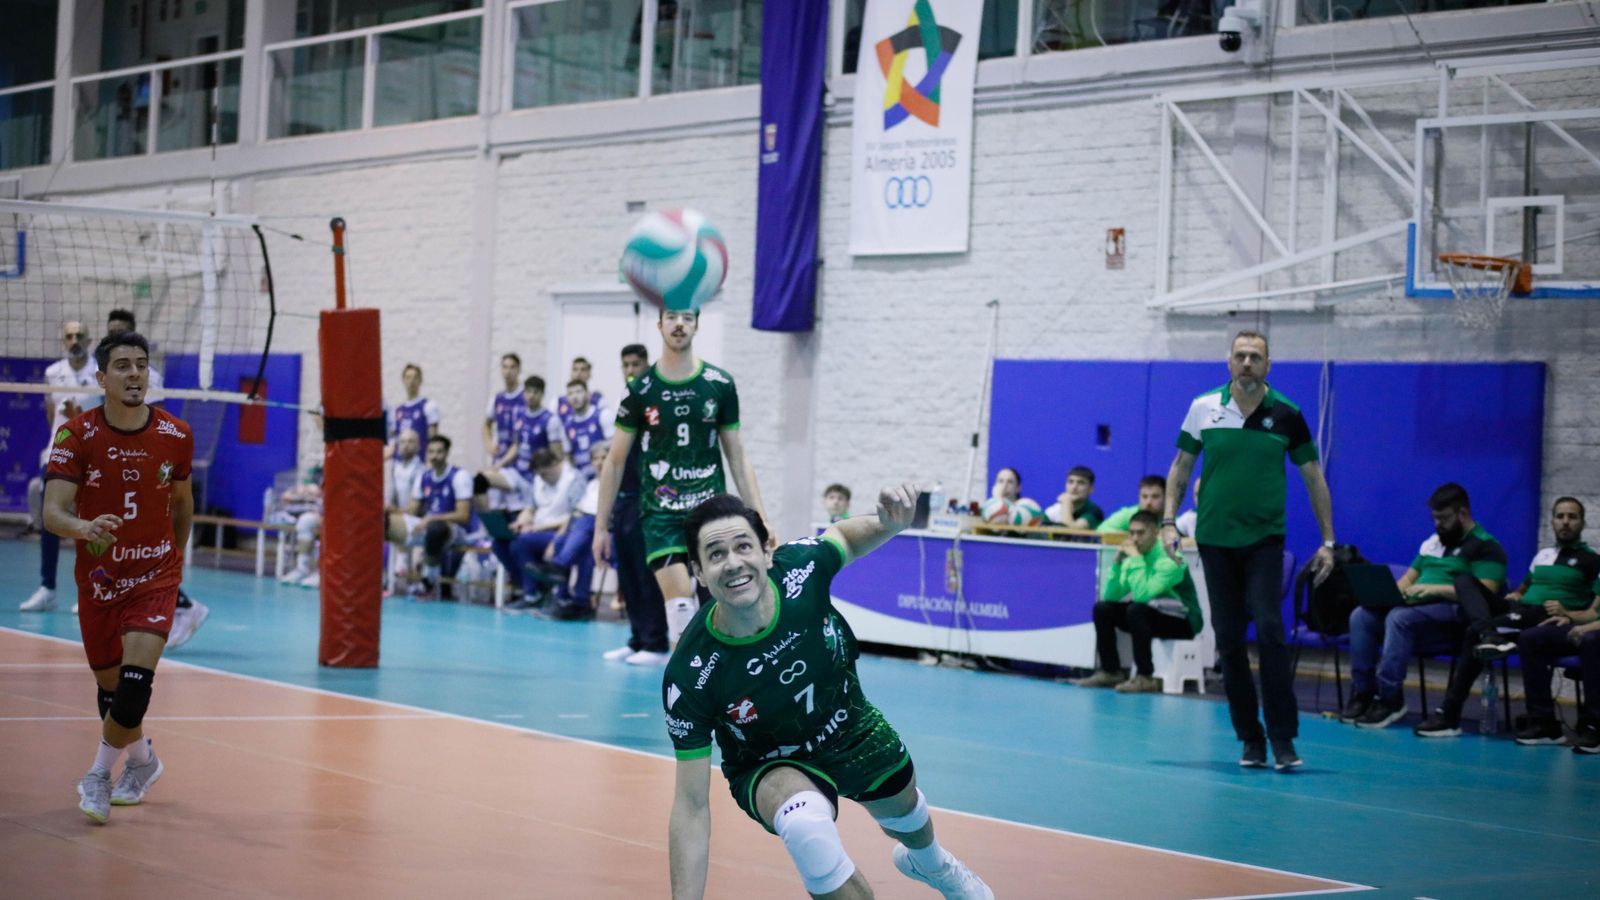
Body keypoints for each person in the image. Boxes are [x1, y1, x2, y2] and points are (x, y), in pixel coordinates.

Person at [664, 489, 992, 900]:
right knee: (806, 829)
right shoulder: (690, 673)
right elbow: (691, 807)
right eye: (715, 554)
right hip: (768, 761)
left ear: (768, 551)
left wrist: (889, 525)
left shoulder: (801, 569)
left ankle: (932, 864)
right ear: (697, 570)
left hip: (846, 722)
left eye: (743, 546)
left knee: (906, 816)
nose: (733, 564)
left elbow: (845, 537)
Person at [1162, 330, 1335, 771]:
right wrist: (1167, 521)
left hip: (1264, 541)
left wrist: (1328, 541)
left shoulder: (1288, 415)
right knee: (1230, 641)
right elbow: (1181, 467)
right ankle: (1250, 738)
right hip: (1215, 542)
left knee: (1272, 633)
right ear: (1229, 362)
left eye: (1255, 356)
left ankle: (1282, 738)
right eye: (1240, 355)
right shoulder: (1204, 408)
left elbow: (1314, 477)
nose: (1247, 363)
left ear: (1268, 365)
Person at [42, 330, 195, 823]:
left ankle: (97, 774)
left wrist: (172, 562)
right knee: (110, 691)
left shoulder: (176, 434)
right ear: (101, 377)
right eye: (124, 366)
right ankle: (144, 763)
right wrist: (84, 527)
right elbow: (52, 512)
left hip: (154, 573)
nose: (135, 374)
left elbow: (183, 503)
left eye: (141, 365)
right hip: (101, 579)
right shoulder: (77, 436)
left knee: (133, 687)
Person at [593, 308, 771, 645]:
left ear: (697, 325)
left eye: (687, 318)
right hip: (661, 514)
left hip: (710, 515)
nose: (679, 324)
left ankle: (727, 685)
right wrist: (601, 526)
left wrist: (759, 516)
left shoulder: (719, 384)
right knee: (679, 609)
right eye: (672, 317)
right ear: (660, 325)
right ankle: (686, 693)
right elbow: (614, 462)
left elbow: (737, 454)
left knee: (720, 611)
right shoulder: (640, 389)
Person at [1415, 496, 1598, 737]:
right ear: (1552, 522)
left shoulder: (1592, 560)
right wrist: (1516, 594)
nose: (1565, 522)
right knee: (1463, 581)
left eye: (1572, 517)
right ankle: (1488, 636)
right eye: (1560, 516)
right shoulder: (1542, 556)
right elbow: (1525, 588)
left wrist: (1569, 615)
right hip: (1519, 611)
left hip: (1545, 616)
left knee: (1473, 633)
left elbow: (1595, 610)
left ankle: (1451, 711)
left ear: (1582, 523)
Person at [1343, 483, 1506, 730]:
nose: (1438, 524)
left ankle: (1390, 699)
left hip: (1451, 615)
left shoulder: (1487, 546)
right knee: (1361, 616)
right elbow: (1408, 578)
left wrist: (1433, 590)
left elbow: (1485, 595)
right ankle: (1363, 692)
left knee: (1398, 618)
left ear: (1463, 514)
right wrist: (1391, 594)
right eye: (1435, 518)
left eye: (1444, 518)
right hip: (1415, 609)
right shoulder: (1433, 543)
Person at [105, 310, 207, 646]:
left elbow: (157, 422)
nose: (114, 336)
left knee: (149, 549)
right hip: (116, 468)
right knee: (123, 545)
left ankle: (182, 604)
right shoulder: (108, 374)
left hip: (147, 471)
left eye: (121, 331)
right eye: (111, 332)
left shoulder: (150, 377)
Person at [1073, 511, 1203, 693]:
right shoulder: (1137, 555)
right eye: (1131, 533)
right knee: (1103, 609)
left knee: (1136, 609)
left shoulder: (1171, 557)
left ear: (1156, 532)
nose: (1134, 539)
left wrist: (1134, 559)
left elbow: (1143, 595)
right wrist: (1117, 564)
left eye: (1140, 533)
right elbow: (1111, 596)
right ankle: (1111, 671)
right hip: (1153, 613)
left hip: (1184, 621)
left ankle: (1145, 676)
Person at [20, 320, 99, 613]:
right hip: (58, 453)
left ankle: (90, 589)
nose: (74, 340)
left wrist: (78, 417)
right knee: (50, 520)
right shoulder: (53, 373)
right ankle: (47, 588)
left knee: (91, 522)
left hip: (92, 455)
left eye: (80, 335)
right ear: (63, 341)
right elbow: (53, 416)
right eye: (69, 336)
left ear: (89, 340)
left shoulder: (99, 373)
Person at [600, 344, 671, 665]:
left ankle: (656, 642)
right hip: (625, 500)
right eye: (625, 364)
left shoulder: (656, 408)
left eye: (636, 364)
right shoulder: (623, 408)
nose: (631, 370)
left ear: (648, 365)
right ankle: (637, 637)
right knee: (626, 574)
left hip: (650, 503)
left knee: (646, 574)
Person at [499, 448, 591, 616]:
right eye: (539, 475)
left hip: (564, 531)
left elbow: (575, 516)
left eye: (545, 474)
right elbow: (531, 508)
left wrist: (541, 530)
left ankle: (562, 597)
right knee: (511, 543)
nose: (542, 478)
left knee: (553, 544)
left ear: (556, 464)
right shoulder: (538, 479)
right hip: (538, 530)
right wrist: (521, 521)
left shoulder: (574, 479)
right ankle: (532, 594)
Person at [1514, 593, 1600, 751]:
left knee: (1591, 641)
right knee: (1531, 638)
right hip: (1592, 628)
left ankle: (1594, 725)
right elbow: (1594, 612)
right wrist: (1569, 616)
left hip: (1594, 632)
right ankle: (1544, 723)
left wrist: (1588, 628)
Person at [480, 375, 567, 508]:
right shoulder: (520, 416)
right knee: (481, 480)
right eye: (528, 392)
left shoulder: (550, 420)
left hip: (536, 477)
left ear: (542, 394)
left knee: (523, 514)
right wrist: (499, 464)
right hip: (517, 472)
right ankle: (487, 521)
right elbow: (516, 445)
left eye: (535, 392)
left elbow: (557, 453)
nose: (531, 396)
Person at [406, 435, 474, 600]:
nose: (434, 456)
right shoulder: (423, 477)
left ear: (447, 453)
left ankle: (427, 579)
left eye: (439, 452)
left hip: (455, 530)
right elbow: (412, 510)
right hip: (429, 526)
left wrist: (432, 519)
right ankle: (386, 578)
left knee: (435, 529)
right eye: (431, 452)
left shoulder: (459, 476)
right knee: (388, 523)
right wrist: (389, 510)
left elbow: (463, 516)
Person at [384, 428, 426, 584]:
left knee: (391, 523)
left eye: (410, 441)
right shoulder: (396, 467)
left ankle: (405, 575)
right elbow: (392, 499)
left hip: (417, 521)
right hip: (400, 516)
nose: (406, 445)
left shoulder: (421, 470)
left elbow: (415, 509)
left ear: (418, 446)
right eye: (402, 442)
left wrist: (392, 511)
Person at [559, 379, 613, 481]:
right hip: (582, 481)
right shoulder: (566, 425)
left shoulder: (602, 415)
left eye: (578, 392)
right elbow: (568, 457)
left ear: (588, 394)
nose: (575, 397)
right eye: (570, 393)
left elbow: (614, 447)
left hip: (604, 478)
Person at [482, 353, 524, 463]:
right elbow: (486, 424)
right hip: (501, 454)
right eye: (505, 367)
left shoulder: (525, 396)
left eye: (512, 367)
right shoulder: (497, 398)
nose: (508, 371)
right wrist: (489, 445)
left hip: (521, 457)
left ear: (519, 370)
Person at [1096, 475, 1167, 534]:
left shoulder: (1173, 520)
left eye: (1155, 497)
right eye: (1144, 497)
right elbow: (1101, 529)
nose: (1148, 502)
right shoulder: (1129, 514)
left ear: (1166, 498)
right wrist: (1133, 536)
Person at [390, 363, 440, 444]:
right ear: (403, 380)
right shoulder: (397, 410)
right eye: (408, 377)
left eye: (415, 377)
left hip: (420, 455)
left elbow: (433, 441)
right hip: (400, 456)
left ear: (420, 380)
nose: (412, 381)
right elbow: (393, 440)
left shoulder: (428, 406)